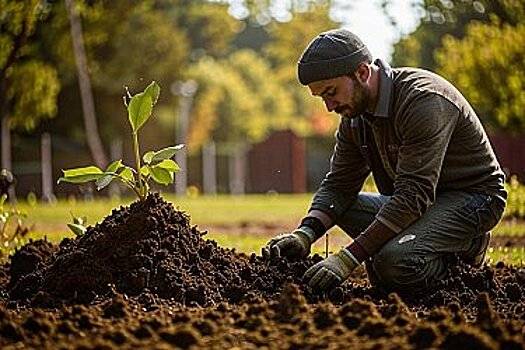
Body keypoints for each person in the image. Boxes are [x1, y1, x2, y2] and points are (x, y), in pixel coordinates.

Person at [262, 29, 507, 295]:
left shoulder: (423, 101)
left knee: (393, 264)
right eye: (322, 97)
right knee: (345, 208)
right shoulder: (354, 119)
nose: (329, 107)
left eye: (331, 92)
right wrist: (305, 233)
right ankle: (430, 243)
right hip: (420, 202)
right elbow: (339, 186)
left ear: (362, 73)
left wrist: (348, 258)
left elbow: (414, 194)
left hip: (473, 200)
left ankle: (468, 247)